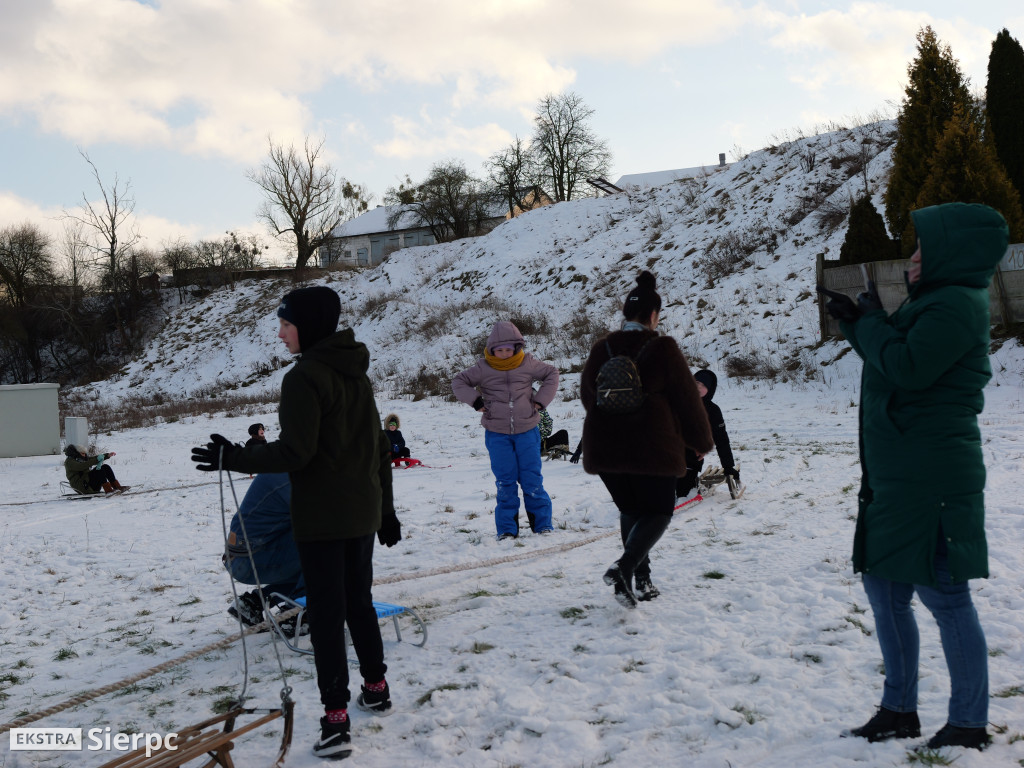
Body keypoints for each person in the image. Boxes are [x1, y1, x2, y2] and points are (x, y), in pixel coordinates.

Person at [822, 203, 1007, 751]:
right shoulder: (933, 302)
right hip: (899, 474)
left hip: (932, 479)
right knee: (883, 588)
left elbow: (906, 368)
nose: (914, 256)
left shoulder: (956, 305)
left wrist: (869, 323)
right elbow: (891, 360)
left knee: (946, 597)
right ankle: (898, 709)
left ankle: (969, 722)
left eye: (925, 247)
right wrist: (860, 325)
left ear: (954, 252)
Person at [191, 285, 403, 760]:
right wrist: (384, 513)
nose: (280, 333)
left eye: (286, 324)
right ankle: (376, 687)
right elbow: (380, 451)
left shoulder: (305, 377)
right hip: (360, 513)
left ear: (306, 326)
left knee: (328, 617)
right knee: (359, 603)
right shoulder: (355, 374)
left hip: (324, 517)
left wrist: (234, 456)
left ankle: (335, 722)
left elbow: (295, 453)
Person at [581, 270, 713, 607]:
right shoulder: (662, 348)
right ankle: (625, 567)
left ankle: (642, 578)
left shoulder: (603, 347)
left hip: (607, 447)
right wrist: (700, 441)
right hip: (652, 448)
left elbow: (587, 395)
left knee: (632, 510)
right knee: (659, 512)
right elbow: (687, 399)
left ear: (626, 313)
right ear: (654, 315)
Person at [452, 321, 559, 539]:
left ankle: (543, 524)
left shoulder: (527, 363)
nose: (504, 354)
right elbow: (459, 381)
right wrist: (475, 401)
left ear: (516, 348)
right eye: (499, 350)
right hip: (497, 433)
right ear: (491, 350)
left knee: (532, 479)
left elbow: (552, 373)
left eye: (508, 349)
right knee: (505, 481)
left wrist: (540, 401)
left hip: (528, 430)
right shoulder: (483, 368)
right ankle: (507, 530)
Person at [224, 472, 306, 634]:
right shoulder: (297, 475)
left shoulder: (287, 461)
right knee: (329, 550)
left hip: (239, 555)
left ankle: (254, 602)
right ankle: (298, 612)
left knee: (317, 567)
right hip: (250, 559)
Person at [675, 369, 739, 499]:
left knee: (683, 492)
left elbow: (721, 438)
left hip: (690, 458)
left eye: (704, 385)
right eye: (696, 382)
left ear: (710, 390)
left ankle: (691, 483)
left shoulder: (713, 411)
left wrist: (728, 466)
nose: (698, 387)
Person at [63, 444, 129, 494]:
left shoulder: (80, 459)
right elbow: (81, 466)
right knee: (99, 470)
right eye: (82, 453)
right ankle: (108, 490)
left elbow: (91, 459)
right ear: (76, 453)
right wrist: (97, 459)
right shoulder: (70, 462)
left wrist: (106, 455)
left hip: (89, 483)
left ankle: (117, 487)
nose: (84, 455)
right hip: (82, 487)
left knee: (105, 467)